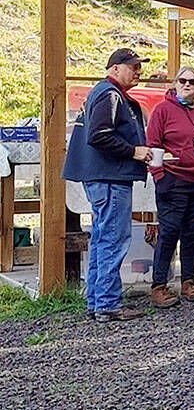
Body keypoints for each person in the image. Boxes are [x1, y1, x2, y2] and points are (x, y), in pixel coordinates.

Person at [63, 48, 152, 322]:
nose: (138, 71)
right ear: (115, 69)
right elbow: (99, 135)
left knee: (103, 239)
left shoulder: (104, 93)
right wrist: (133, 151)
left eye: (140, 67)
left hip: (103, 176)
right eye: (133, 66)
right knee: (113, 239)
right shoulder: (109, 95)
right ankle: (108, 304)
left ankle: (98, 300)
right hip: (110, 177)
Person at [145, 66, 194, 308]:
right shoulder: (163, 110)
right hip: (174, 179)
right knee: (169, 231)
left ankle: (189, 282)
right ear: (175, 84)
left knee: (191, 231)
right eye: (182, 80)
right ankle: (159, 285)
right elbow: (153, 144)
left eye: (192, 81)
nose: (187, 85)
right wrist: (160, 176)